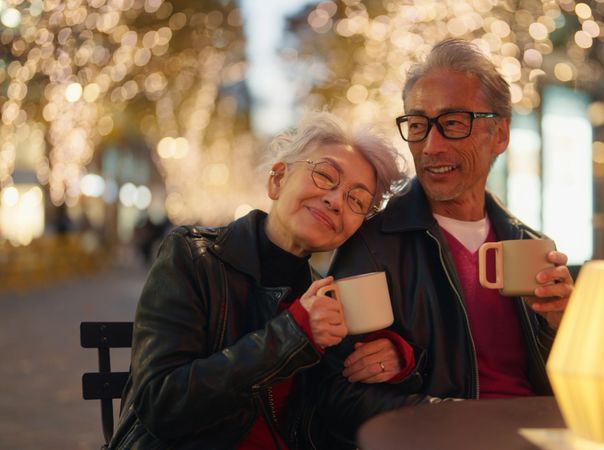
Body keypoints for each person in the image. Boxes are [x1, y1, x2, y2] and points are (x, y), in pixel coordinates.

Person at [310, 39, 575, 447]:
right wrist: (442, 411)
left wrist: (564, 327)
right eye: (418, 125)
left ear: (499, 134)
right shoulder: (373, 245)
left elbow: (570, 378)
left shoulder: (532, 244)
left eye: (453, 123)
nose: (431, 147)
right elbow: (336, 395)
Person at [108, 112, 412, 449]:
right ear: (278, 179)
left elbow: (338, 409)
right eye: (326, 175)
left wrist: (396, 361)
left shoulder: (327, 295)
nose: (336, 200)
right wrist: (293, 333)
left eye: (357, 200)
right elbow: (162, 404)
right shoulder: (194, 257)